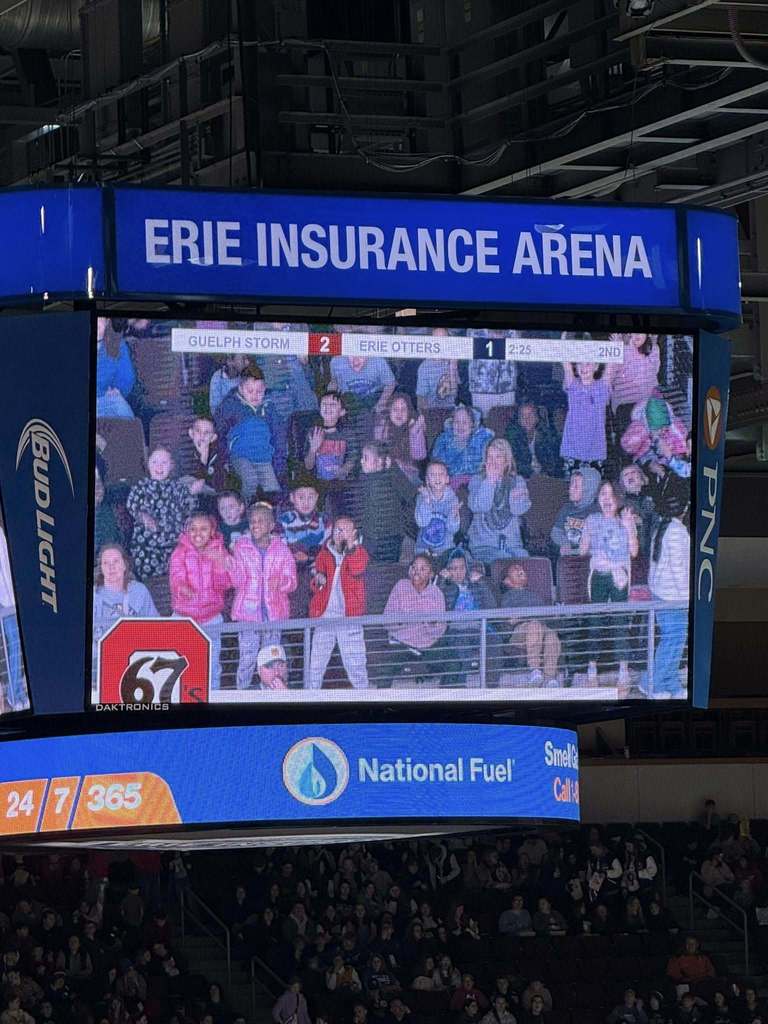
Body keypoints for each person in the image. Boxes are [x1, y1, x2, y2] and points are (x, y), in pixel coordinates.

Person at [229, 503, 297, 689]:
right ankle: (241, 694)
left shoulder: (282, 549)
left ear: (271, 525)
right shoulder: (241, 547)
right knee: (247, 658)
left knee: (271, 660)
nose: (255, 525)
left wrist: (280, 582)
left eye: (261, 521)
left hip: (274, 615)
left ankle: (270, 693)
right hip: (247, 614)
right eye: (252, 522)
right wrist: (230, 565)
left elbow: (292, 582)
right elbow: (236, 582)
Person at [580, 481, 638, 685]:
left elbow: (634, 552)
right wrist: (585, 532)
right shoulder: (592, 519)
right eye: (603, 494)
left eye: (611, 494)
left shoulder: (626, 519)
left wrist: (629, 526)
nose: (606, 498)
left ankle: (623, 668)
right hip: (598, 576)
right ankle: (592, 666)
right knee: (595, 621)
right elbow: (582, 550)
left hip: (620, 577)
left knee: (620, 622)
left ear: (618, 499)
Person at [169, 513, 231, 690]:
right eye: (193, 529)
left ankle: (213, 697)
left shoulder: (220, 551)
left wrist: (219, 564)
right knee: (180, 661)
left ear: (212, 531)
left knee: (212, 663)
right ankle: (180, 697)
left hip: (211, 617)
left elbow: (224, 584)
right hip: (184, 617)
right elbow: (176, 577)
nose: (198, 534)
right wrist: (182, 587)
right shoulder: (180, 552)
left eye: (203, 529)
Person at [308, 517, 369, 690]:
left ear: (354, 534)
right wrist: (318, 580)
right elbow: (316, 583)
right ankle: (310, 697)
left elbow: (358, 568)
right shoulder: (324, 554)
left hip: (349, 617)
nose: (339, 534)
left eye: (344, 530)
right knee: (316, 664)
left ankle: (364, 696)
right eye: (337, 530)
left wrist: (350, 547)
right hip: (325, 616)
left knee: (355, 662)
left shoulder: (359, 552)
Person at [380, 554, 457, 686]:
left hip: (427, 645)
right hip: (402, 643)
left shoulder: (436, 593)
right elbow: (387, 620)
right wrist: (405, 621)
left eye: (423, 569)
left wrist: (430, 624)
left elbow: (440, 629)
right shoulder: (401, 586)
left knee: (454, 664)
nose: (417, 572)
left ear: (431, 574)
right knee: (386, 668)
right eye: (414, 568)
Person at [644, 479, 690, 699]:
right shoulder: (678, 532)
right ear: (686, 508)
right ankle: (649, 683)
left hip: (661, 593)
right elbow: (680, 572)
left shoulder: (662, 525)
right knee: (673, 640)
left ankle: (670, 682)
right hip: (674, 597)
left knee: (675, 641)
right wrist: (689, 599)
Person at [127, 447, 195, 579]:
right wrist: (144, 516)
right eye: (154, 462)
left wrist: (192, 495)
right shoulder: (141, 486)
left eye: (164, 462)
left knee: (180, 572)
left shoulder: (178, 487)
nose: (159, 466)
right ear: (147, 464)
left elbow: (190, 506)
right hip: (148, 544)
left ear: (172, 466)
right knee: (147, 571)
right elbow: (132, 505)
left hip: (174, 543)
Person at [216, 364, 282, 499]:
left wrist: (279, 461)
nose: (255, 395)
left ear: (265, 389)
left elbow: (278, 435)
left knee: (273, 489)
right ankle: (245, 510)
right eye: (250, 391)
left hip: (263, 458)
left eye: (259, 391)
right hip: (240, 457)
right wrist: (223, 460)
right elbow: (219, 432)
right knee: (251, 480)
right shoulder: (230, 406)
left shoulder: (269, 408)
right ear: (240, 389)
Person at [467, 439, 531, 562]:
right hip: (484, 546)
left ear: (506, 461)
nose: (493, 462)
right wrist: (490, 482)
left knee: (528, 563)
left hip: (512, 544)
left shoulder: (518, 481)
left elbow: (518, 511)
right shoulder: (476, 481)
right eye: (489, 457)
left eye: (498, 457)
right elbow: (480, 506)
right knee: (504, 561)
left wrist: (513, 498)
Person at [500, 563, 560, 687]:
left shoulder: (535, 596)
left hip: (539, 629)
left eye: (521, 568)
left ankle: (549, 677)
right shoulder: (507, 597)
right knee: (534, 625)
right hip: (519, 632)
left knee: (551, 635)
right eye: (515, 569)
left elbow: (546, 617)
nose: (520, 569)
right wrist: (529, 617)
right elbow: (510, 620)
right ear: (507, 581)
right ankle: (534, 670)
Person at [358, 442, 418, 563]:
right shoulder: (363, 479)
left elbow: (410, 494)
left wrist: (394, 469)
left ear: (379, 461)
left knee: (389, 568)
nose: (361, 461)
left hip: (391, 537)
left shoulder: (392, 477)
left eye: (365, 458)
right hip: (370, 537)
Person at [560, 359, 616, 470]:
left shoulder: (601, 387)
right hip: (572, 451)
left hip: (595, 452)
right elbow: (566, 364)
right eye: (580, 363)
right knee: (572, 485)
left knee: (594, 485)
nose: (583, 367)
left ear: (596, 366)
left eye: (588, 363)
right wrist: (563, 342)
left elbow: (611, 363)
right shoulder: (573, 386)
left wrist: (616, 344)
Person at [92, 545, 159, 638]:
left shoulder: (139, 591)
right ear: (101, 568)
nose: (111, 567)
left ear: (124, 565)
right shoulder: (94, 596)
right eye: (106, 563)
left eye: (116, 561)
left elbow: (155, 627)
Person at [610, 333, 661, 445]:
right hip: (627, 404)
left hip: (648, 403)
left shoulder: (653, 349)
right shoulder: (621, 350)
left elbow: (654, 371)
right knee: (629, 440)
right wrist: (616, 349)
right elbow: (610, 377)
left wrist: (653, 342)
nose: (637, 335)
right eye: (633, 332)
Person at [430, 405, 494, 490]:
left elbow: (488, 464)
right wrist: (456, 447)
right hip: (450, 481)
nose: (460, 426)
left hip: (477, 480)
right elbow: (436, 463)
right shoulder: (443, 439)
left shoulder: (483, 439)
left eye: (464, 422)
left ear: (472, 424)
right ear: (452, 424)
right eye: (457, 422)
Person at [0, 524, 27, 712]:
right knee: (15, 645)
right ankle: (14, 694)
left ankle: (17, 692)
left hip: (14, 600)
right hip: (8, 603)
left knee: (17, 646)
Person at [304, 391, 358, 483]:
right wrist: (313, 449)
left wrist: (343, 471)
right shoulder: (313, 432)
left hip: (341, 483)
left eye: (332, 404)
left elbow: (353, 458)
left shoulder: (348, 433)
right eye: (324, 404)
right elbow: (308, 466)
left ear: (342, 412)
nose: (327, 407)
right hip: (318, 483)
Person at [375, 392, 427, 482]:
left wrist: (414, 432)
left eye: (403, 410)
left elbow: (419, 456)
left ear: (409, 413)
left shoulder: (414, 428)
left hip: (409, 477)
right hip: (386, 473)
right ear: (389, 411)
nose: (399, 413)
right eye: (395, 409)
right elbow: (377, 450)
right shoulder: (383, 427)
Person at [177, 416, 226, 511]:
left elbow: (217, 485)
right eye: (198, 431)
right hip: (186, 492)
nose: (202, 436)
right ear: (191, 433)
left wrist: (204, 457)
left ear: (213, 438)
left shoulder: (217, 456)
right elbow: (186, 479)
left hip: (208, 495)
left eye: (207, 433)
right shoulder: (184, 452)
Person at [415, 461, 461, 561]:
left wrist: (454, 515)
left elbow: (453, 529)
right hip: (423, 549)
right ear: (427, 480)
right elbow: (421, 522)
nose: (437, 478)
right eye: (433, 475)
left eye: (441, 474)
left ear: (447, 479)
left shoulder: (453, 499)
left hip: (445, 549)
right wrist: (427, 501)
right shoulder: (422, 497)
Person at [550, 467, 601, 555]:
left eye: (576, 486)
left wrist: (574, 552)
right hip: (567, 557)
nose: (570, 489)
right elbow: (556, 531)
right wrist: (564, 543)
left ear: (588, 490)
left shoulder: (597, 512)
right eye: (570, 485)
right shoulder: (566, 508)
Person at [279, 480, 330, 567]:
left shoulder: (325, 521)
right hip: (288, 568)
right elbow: (277, 549)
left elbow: (330, 550)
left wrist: (310, 558)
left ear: (317, 497)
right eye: (301, 497)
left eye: (310, 497)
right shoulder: (283, 521)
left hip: (318, 568)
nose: (306, 502)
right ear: (292, 497)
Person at [506, 402, 563, 479]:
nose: (527, 419)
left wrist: (545, 474)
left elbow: (554, 461)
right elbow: (514, 463)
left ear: (537, 418)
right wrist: (531, 474)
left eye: (531, 415)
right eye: (523, 416)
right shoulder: (512, 436)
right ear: (519, 420)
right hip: (522, 478)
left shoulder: (548, 435)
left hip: (546, 478)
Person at [96, 318, 136, 418]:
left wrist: (118, 390)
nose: (96, 321)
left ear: (107, 321)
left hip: (103, 399)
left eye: (100, 318)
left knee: (124, 412)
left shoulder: (117, 342)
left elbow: (127, 377)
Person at [329, 355, 396, 411]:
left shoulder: (379, 361)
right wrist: (330, 401)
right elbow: (334, 382)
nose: (355, 362)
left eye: (360, 357)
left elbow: (391, 383)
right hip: (348, 405)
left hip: (373, 403)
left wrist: (381, 403)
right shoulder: (336, 362)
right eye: (351, 356)